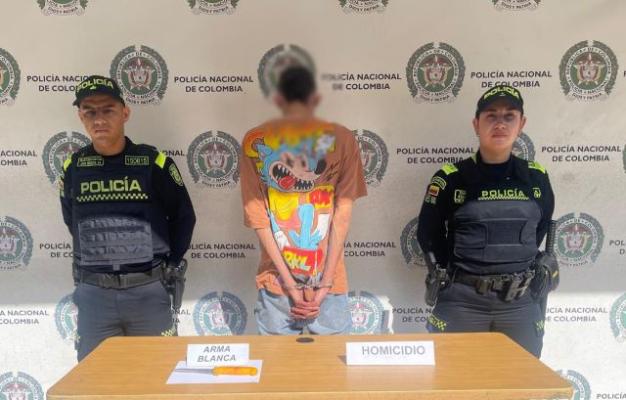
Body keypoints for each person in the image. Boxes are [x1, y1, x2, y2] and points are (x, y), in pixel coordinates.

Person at [60, 75, 196, 360]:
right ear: (80, 117)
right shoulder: (74, 166)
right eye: (89, 112)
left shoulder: (154, 163)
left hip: (148, 290)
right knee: (96, 378)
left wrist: (170, 265)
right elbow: (72, 219)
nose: (99, 119)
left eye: (107, 110)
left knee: (159, 373)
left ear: (125, 112)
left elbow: (183, 217)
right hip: (94, 294)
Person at [417, 84, 557, 357]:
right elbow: (428, 234)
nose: (500, 124)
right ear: (476, 124)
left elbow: (539, 230)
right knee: (454, 378)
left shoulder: (536, 177)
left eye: (509, 116)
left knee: (521, 380)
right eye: (491, 115)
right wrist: (458, 274)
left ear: (521, 124)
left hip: (520, 303)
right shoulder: (450, 178)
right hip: (462, 301)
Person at [240, 66, 367, 335]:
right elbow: (342, 216)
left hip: (278, 283)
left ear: (277, 99)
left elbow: (259, 219)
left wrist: (291, 285)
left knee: (278, 361)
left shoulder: (254, 140)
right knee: (335, 360)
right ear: (316, 98)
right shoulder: (343, 138)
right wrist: (325, 285)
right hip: (325, 282)